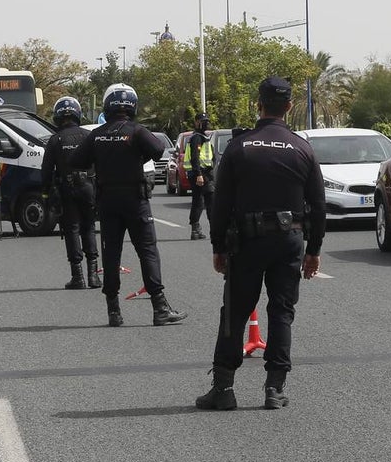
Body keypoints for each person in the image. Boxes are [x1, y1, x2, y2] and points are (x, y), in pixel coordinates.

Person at [196, 76, 326, 411]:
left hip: (247, 242)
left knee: (235, 313)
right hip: (289, 240)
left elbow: (220, 203)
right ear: (289, 107)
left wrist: (217, 247)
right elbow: (319, 204)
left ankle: (223, 389)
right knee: (282, 311)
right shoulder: (302, 147)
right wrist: (314, 250)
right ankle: (274, 388)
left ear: (259, 104)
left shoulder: (240, 147)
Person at [71, 83, 187, 327]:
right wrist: (134, 155)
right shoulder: (136, 131)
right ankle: (160, 307)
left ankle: (113, 311)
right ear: (132, 105)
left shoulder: (97, 134)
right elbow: (158, 151)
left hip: (107, 201)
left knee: (111, 254)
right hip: (135, 200)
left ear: (107, 105)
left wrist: (101, 160)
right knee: (147, 250)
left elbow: (76, 160)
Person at [41, 96, 99, 289]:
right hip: (89, 187)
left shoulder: (55, 139)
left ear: (57, 116)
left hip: (67, 189)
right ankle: (93, 276)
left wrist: (46, 194)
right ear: (78, 114)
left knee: (72, 229)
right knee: (89, 227)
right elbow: (99, 163)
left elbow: (46, 171)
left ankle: (78, 277)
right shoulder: (88, 135)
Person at [184, 111, 215, 240]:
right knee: (207, 201)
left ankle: (196, 230)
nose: (205, 123)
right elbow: (195, 158)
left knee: (201, 200)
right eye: (203, 121)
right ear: (197, 122)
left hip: (204, 173)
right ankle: (211, 228)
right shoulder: (197, 137)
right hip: (200, 173)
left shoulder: (202, 136)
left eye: (207, 121)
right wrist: (199, 175)